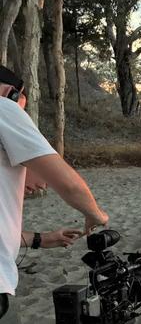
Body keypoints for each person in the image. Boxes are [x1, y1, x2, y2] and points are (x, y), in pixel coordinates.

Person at [0, 66, 109, 322]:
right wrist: (96, 214)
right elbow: (69, 184)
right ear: (16, 94)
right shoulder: (5, 108)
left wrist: (41, 239)